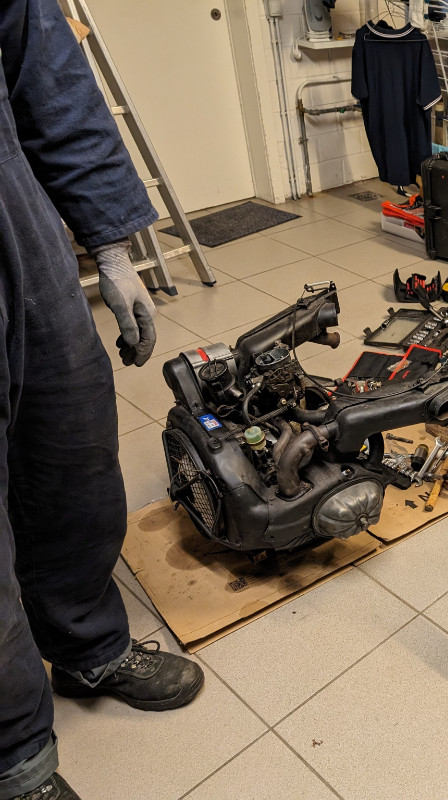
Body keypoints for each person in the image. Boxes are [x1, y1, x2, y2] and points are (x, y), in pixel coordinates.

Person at [0, 3, 204, 799]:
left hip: (18, 224)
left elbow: (49, 78)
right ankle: (16, 758)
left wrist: (112, 248)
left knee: (71, 449)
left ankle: (87, 646)